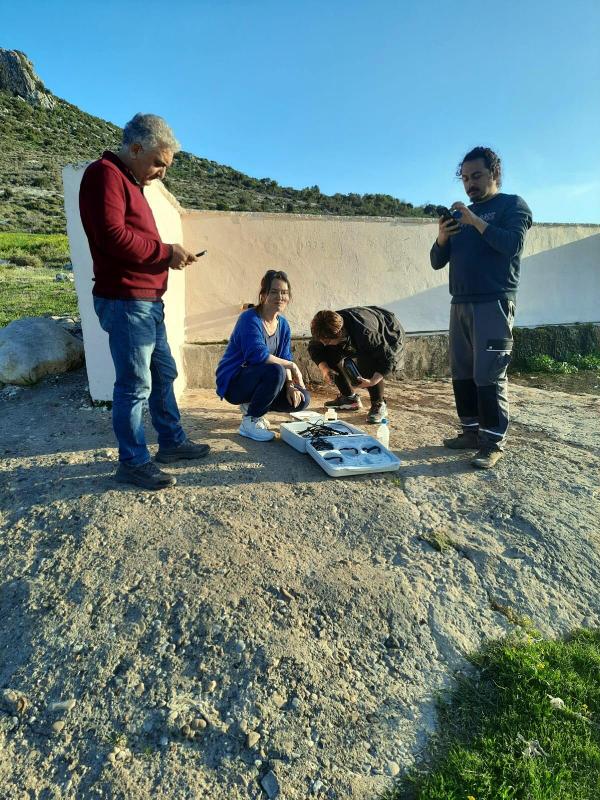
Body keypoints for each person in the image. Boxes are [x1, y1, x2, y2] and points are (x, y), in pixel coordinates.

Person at [79, 113, 210, 491]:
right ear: (135, 148)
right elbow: (113, 237)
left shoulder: (130, 182)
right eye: (158, 163)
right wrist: (166, 252)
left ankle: (171, 442)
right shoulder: (104, 174)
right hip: (126, 302)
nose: (160, 173)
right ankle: (133, 462)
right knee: (134, 385)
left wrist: (166, 257)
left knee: (163, 374)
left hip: (147, 302)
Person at [430, 146, 532, 469]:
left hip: (494, 301)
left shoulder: (512, 206)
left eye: (476, 176)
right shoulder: (459, 215)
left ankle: (492, 441)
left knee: (488, 373)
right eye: (465, 178)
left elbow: (511, 245)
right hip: (459, 302)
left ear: (495, 174)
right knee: (462, 372)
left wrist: (475, 221)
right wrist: (443, 237)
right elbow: (436, 261)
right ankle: (470, 432)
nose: (469, 184)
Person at [215, 270, 310, 441]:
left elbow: (285, 357)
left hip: (261, 378)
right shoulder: (250, 319)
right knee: (275, 370)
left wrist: (290, 385)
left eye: (284, 293)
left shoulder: (283, 325)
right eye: (274, 292)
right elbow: (257, 356)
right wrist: (292, 366)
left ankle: (254, 406)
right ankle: (250, 421)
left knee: (302, 398)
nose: (280, 297)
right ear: (263, 294)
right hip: (235, 383)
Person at [308, 306, 405, 424]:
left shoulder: (366, 334)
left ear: (340, 333)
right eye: (321, 340)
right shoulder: (323, 326)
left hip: (388, 332)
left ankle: (379, 404)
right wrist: (325, 369)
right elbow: (315, 348)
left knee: (367, 361)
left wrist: (373, 381)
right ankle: (349, 399)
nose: (323, 343)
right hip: (354, 334)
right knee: (327, 350)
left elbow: (387, 359)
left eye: (327, 340)